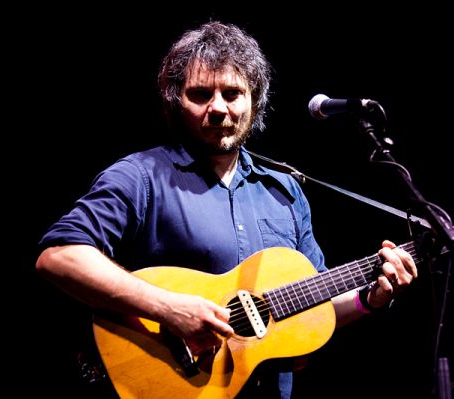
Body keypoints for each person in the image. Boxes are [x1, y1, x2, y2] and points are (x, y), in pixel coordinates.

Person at [35, 20, 417, 399]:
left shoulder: (283, 191)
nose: (218, 108)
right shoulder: (139, 177)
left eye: (232, 94)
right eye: (201, 94)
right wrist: (168, 308)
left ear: (253, 100)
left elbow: (316, 301)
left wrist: (370, 298)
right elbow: (60, 257)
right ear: (174, 101)